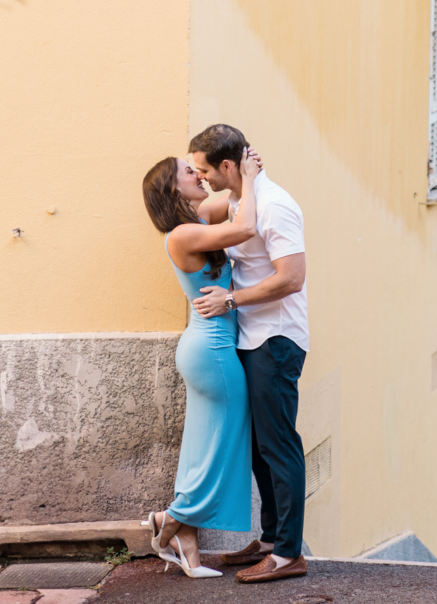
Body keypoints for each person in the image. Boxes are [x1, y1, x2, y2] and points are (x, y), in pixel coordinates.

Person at [189, 124, 309, 586]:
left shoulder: (275, 206)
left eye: (204, 170)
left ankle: (288, 554)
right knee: (261, 448)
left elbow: (292, 277)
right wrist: (246, 180)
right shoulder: (244, 199)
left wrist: (231, 301)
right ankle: (269, 539)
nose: (199, 178)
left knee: (279, 445)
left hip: (276, 339)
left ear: (225, 165)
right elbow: (206, 207)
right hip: (253, 337)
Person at [140, 151, 260, 579]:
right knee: (225, 443)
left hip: (207, 348)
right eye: (188, 172)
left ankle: (185, 539)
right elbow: (245, 225)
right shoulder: (183, 235)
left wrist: (236, 174)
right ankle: (169, 519)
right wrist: (245, 175)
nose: (197, 175)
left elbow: (231, 202)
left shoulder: (196, 221)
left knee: (201, 445)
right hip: (212, 350)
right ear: (174, 188)